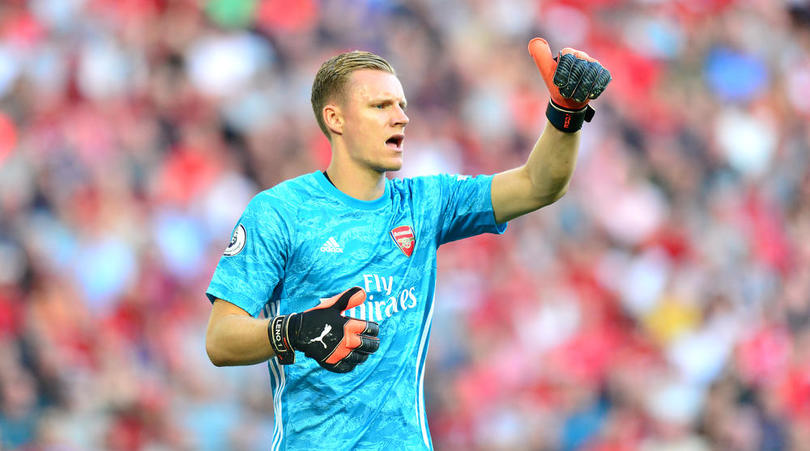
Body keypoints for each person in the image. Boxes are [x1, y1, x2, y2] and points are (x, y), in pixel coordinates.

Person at [204, 37, 611, 450]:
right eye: (380, 106)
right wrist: (294, 330)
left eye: (401, 105)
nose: (400, 118)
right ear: (335, 119)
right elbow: (220, 340)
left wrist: (566, 114)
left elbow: (538, 185)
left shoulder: (426, 204)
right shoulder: (279, 213)